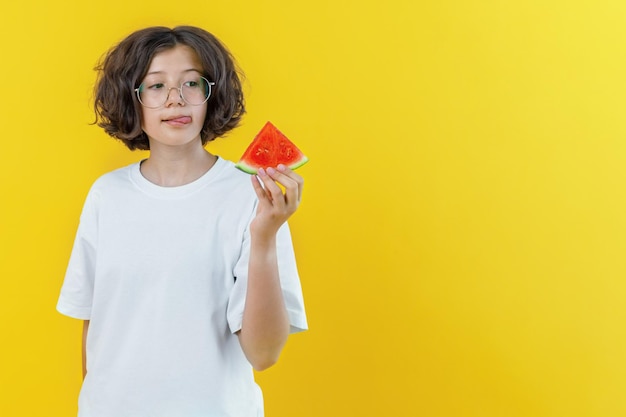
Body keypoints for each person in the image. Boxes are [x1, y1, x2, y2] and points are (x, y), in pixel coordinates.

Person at [56, 26, 308, 417]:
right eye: (156, 86)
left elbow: (263, 354)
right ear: (132, 100)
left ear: (212, 95)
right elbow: (95, 324)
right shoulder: (107, 195)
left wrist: (264, 236)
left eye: (192, 82)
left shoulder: (252, 195)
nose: (176, 99)